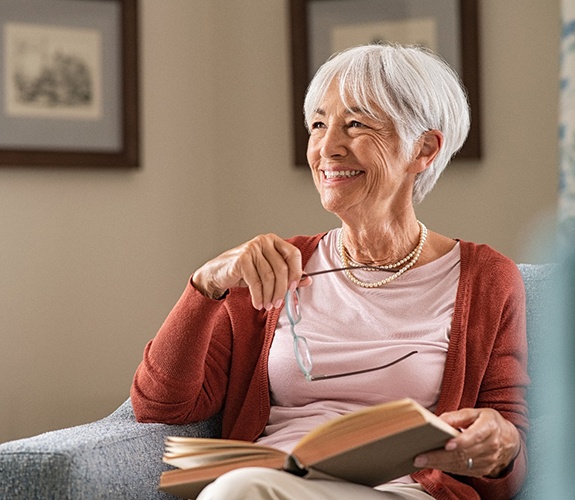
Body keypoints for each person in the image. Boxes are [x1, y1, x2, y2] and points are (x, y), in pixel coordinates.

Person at [131, 43, 528, 499]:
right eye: (318, 125)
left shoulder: (486, 279)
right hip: (275, 481)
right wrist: (205, 287)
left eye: (355, 124)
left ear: (424, 148)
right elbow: (160, 406)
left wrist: (502, 445)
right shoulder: (273, 268)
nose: (327, 148)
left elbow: (509, 457)